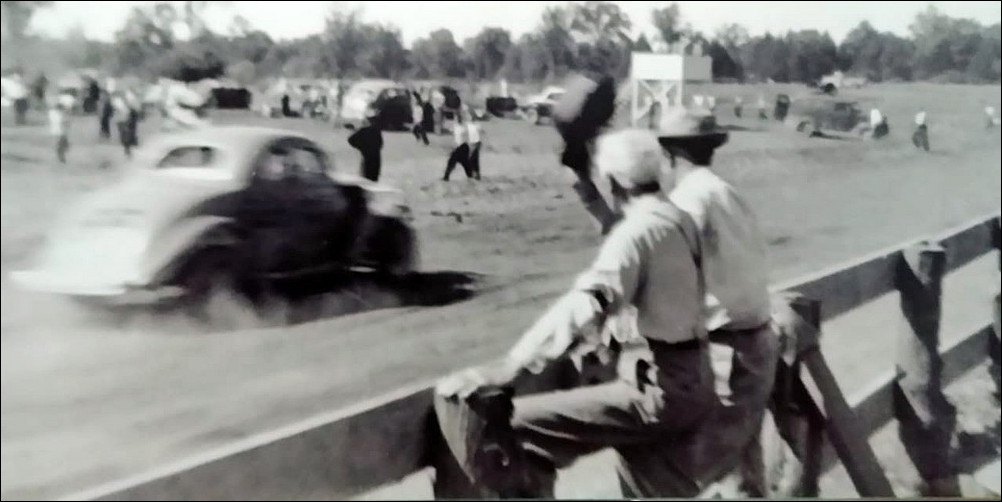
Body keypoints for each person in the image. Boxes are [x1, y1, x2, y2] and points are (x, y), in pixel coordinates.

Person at [437, 128, 716, 498]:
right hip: (696, 378)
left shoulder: (636, 234)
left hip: (659, 391)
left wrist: (511, 365)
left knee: (515, 427)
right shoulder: (679, 219)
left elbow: (588, 300)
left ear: (613, 180)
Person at [347, 108, 384, 182]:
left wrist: (361, 148)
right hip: (376, 158)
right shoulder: (376, 131)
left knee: (365, 179)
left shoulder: (363, 131)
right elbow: (381, 144)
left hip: (366, 157)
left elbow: (351, 140)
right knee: (374, 179)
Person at [443, 112, 474, 181]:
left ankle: (446, 177)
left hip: (463, 146)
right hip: (461, 147)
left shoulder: (465, 126)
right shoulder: (457, 126)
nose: (458, 120)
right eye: (457, 118)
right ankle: (470, 176)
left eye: (459, 118)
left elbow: (467, 138)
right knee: (463, 162)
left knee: (458, 161)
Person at [48, 94, 74, 164]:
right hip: (61, 132)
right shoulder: (60, 114)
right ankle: (61, 157)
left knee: (60, 145)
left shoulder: (53, 113)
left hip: (56, 132)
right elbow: (65, 122)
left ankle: (60, 156)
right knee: (61, 145)